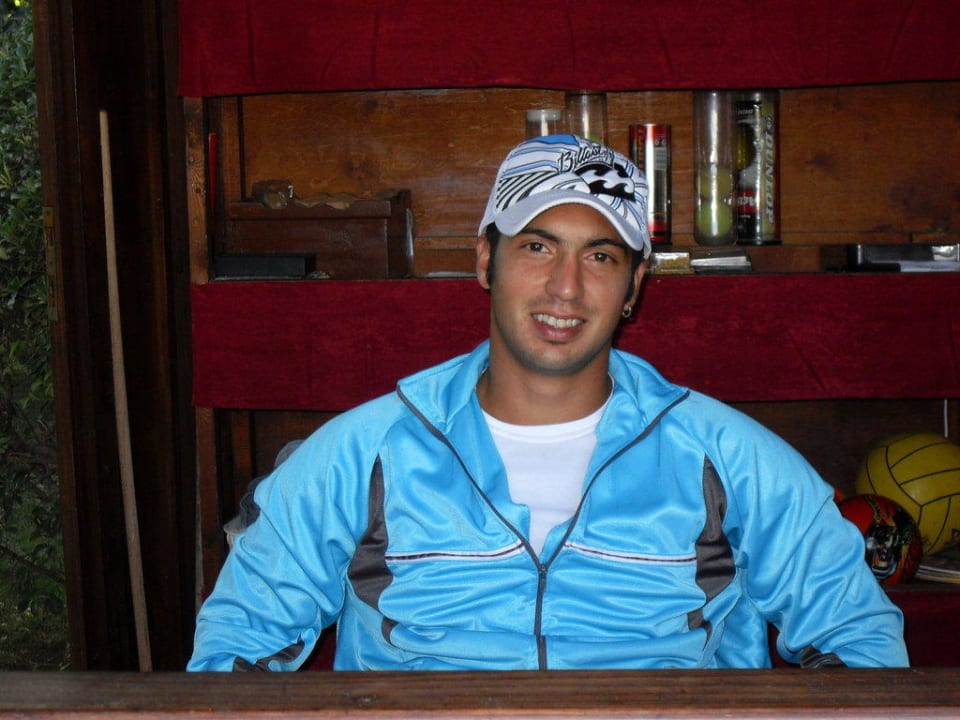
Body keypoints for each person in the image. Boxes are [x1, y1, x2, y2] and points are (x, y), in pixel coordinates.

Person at [188, 134, 908, 671]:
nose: (566, 287)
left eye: (600, 256)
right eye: (537, 247)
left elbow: (861, 644)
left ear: (633, 287)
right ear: (485, 260)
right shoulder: (360, 452)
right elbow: (234, 650)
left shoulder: (730, 456)